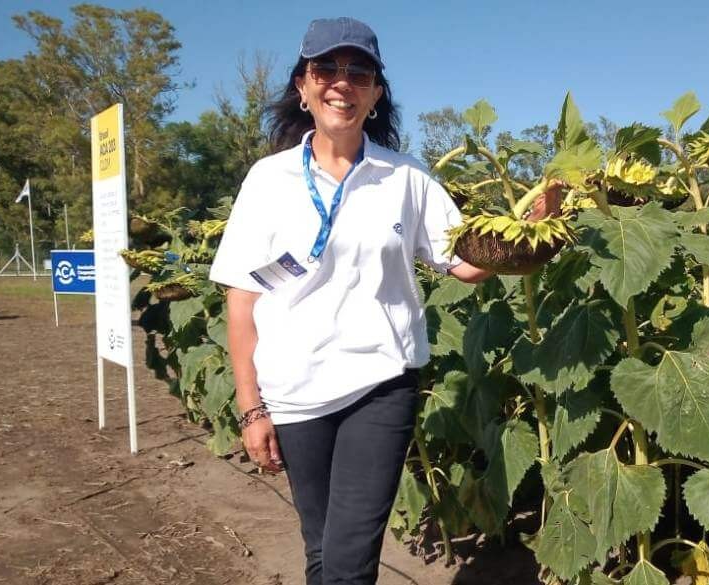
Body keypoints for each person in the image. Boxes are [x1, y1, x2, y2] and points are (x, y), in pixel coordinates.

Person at [209, 17, 561, 585]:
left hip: (379, 384)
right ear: (302, 86)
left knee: (349, 561)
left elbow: (466, 263)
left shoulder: (407, 179)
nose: (341, 83)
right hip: (293, 392)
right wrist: (252, 409)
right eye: (326, 69)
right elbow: (243, 302)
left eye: (359, 72)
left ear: (375, 94)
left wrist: (534, 232)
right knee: (321, 550)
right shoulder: (267, 180)